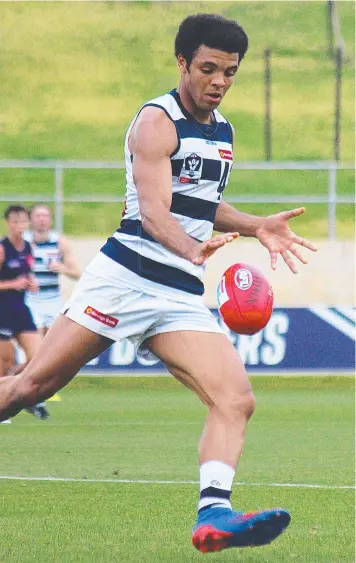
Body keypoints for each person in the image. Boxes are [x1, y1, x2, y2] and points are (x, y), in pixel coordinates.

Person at [0, 14, 317, 552]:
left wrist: (256, 225)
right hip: (124, 279)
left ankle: (213, 514)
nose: (219, 81)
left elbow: (202, 205)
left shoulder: (225, 132)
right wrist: (195, 250)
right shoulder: (156, 122)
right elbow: (153, 212)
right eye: (209, 68)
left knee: (236, 399)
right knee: (29, 388)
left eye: (230, 72)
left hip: (177, 295)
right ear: (183, 63)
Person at [0, 205, 49, 421]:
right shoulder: (2, 249)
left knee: (40, 356)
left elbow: (25, 275)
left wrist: (30, 283)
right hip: (2, 310)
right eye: (15, 221)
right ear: (8, 223)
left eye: (23, 222)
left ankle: (16, 387)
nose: (20, 226)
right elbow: (10, 281)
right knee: (5, 361)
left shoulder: (29, 247)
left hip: (21, 309)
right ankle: (4, 408)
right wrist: (12, 284)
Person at [24, 204, 80, 337]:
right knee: (35, 343)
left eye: (45, 216)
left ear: (51, 220)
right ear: (31, 219)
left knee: (50, 343)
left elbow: (77, 273)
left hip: (53, 299)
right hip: (30, 299)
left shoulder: (59, 241)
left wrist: (61, 268)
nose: (42, 219)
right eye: (38, 216)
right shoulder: (24, 240)